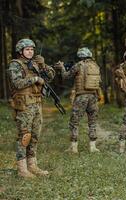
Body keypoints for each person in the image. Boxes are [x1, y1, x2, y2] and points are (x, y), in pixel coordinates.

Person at [7, 38, 55, 178]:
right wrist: (34, 79)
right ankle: (22, 170)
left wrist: (44, 65)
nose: (30, 51)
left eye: (32, 49)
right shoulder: (15, 65)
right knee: (24, 136)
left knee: (35, 136)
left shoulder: (35, 64)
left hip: (36, 104)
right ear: (21, 51)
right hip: (23, 105)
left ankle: (32, 165)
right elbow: (17, 83)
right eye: (27, 49)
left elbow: (51, 77)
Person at [55, 47, 101, 153]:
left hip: (81, 97)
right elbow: (99, 81)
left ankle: (73, 147)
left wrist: (62, 67)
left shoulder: (78, 65)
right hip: (93, 96)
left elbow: (66, 76)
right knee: (92, 121)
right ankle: (93, 147)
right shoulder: (95, 66)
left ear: (80, 56)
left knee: (74, 122)